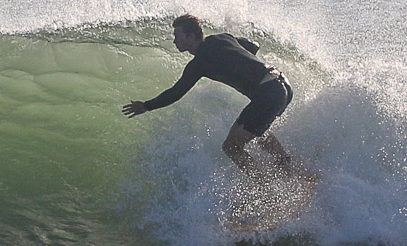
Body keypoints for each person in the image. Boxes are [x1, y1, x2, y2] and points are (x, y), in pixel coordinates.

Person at [122, 14, 305, 181]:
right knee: (257, 132)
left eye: (178, 36)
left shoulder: (200, 62)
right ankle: (289, 168)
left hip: (268, 92)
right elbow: (253, 46)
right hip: (282, 86)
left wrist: (146, 106)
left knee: (231, 147)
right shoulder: (222, 38)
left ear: (191, 36)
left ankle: (265, 190)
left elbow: (176, 92)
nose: (174, 40)